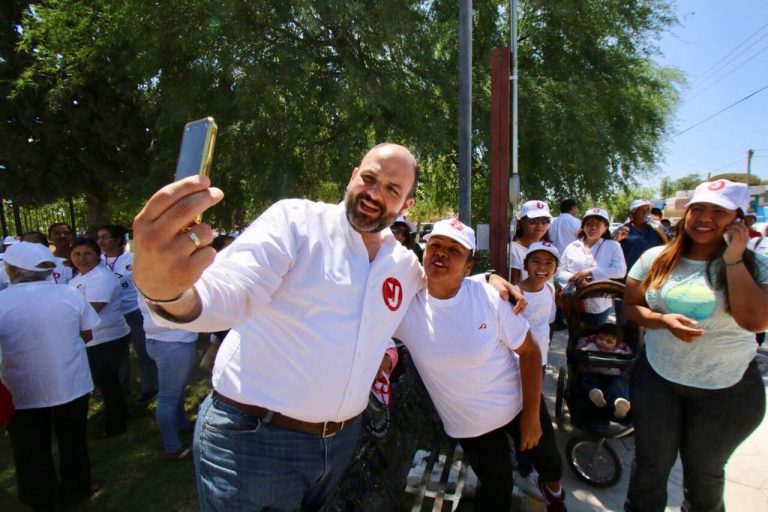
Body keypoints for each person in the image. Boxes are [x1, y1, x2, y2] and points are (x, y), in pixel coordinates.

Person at [132, 144, 429, 510]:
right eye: (369, 179)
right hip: (253, 443)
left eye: (391, 190)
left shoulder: (404, 266)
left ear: (406, 206)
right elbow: (231, 290)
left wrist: (492, 283)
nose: (374, 193)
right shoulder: (296, 223)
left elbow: (442, 304)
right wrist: (167, 292)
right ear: (353, 176)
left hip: (340, 445)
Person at [394, 219, 566, 511]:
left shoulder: (487, 296)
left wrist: (532, 415)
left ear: (468, 267)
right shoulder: (404, 306)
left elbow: (530, 351)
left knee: (550, 464)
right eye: (435, 245)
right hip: (470, 425)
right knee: (497, 491)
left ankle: (553, 492)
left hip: (518, 404)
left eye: (454, 250)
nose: (441, 253)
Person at [623, 179, 768, 511]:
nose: (705, 218)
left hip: (726, 389)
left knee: (704, 477)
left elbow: (755, 322)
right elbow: (631, 306)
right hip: (658, 379)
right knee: (649, 469)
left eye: (719, 211)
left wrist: (732, 260)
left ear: (739, 220)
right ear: (686, 214)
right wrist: (663, 321)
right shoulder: (655, 257)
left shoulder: (754, 265)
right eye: (698, 208)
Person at [0, 242, 101, 510]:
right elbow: (88, 332)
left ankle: (39, 498)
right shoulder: (69, 294)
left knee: (30, 449)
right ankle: (76, 488)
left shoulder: (2, 302)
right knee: (73, 441)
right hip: (70, 382)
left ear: (12, 271)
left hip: (23, 389)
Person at [69, 237, 131, 438]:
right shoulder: (79, 277)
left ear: (97, 255)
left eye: (87, 254)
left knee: (108, 382)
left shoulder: (101, 278)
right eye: (77, 254)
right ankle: (118, 415)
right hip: (92, 339)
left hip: (106, 338)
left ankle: (116, 426)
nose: (82, 258)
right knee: (105, 382)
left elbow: (92, 309)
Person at [515, 241, 560, 499]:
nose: (542, 268)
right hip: (520, 362)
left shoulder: (550, 288)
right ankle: (524, 469)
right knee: (527, 413)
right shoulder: (516, 293)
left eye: (548, 263)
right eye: (536, 262)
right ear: (525, 265)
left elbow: (547, 322)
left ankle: (526, 462)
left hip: (540, 360)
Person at [97, 224, 158, 404]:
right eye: (99, 237)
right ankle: (122, 390)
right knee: (118, 356)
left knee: (143, 351)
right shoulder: (96, 261)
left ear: (117, 239)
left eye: (106, 236)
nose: (101, 241)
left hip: (133, 311)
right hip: (111, 315)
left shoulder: (132, 258)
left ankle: (150, 388)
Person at [138, 299, 198, 460]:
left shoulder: (145, 278)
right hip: (172, 342)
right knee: (168, 397)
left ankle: (181, 424)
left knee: (176, 390)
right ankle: (173, 447)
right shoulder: (159, 281)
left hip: (162, 340)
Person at [557, 208, 627, 326]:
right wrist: (575, 278)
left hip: (599, 304)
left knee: (594, 339)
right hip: (574, 302)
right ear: (583, 227)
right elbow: (559, 271)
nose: (593, 227)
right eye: (589, 224)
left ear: (605, 228)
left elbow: (620, 271)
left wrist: (590, 272)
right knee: (574, 338)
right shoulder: (572, 246)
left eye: (598, 224)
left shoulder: (613, 246)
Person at [578, 323, 631, 419]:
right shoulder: (591, 347)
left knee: (618, 385)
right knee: (590, 380)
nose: (603, 342)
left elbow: (628, 360)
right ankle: (595, 394)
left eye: (609, 341)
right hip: (594, 374)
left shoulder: (621, 352)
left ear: (616, 345)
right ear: (596, 338)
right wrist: (583, 353)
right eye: (601, 338)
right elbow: (580, 349)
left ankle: (619, 403)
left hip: (614, 377)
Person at [614, 199, 668, 272]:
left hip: (651, 274)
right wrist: (617, 240)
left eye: (648, 210)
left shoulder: (655, 229)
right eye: (642, 210)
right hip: (628, 275)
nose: (646, 212)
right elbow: (610, 251)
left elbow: (669, 247)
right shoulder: (623, 230)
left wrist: (660, 231)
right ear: (633, 214)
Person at [509, 200, 553, 284]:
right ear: (521, 222)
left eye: (545, 221)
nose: (540, 225)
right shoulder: (513, 250)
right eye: (533, 221)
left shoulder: (548, 248)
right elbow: (512, 286)